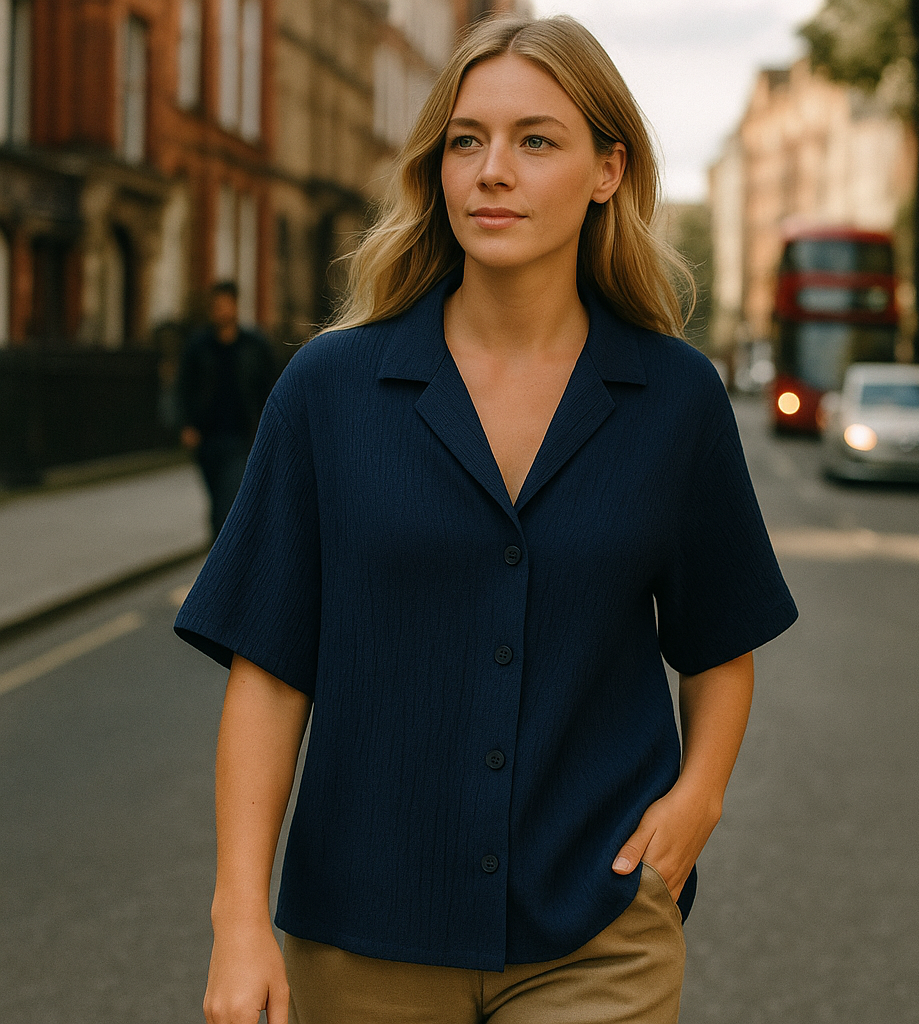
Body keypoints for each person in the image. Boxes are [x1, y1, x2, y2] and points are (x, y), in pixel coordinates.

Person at [175, 15, 797, 1024]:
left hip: (596, 925)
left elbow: (720, 642)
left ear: (607, 170)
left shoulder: (675, 398)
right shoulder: (329, 390)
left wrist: (699, 800)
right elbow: (269, 669)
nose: (491, 170)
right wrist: (238, 917)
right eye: (466, 140)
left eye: (534, 140)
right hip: (361, 929)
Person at [176, 281, 276, 538]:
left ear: (234, 306)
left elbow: (270, 388)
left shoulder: (254, 346)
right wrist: (187, 424)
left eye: (223, 305)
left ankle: (221, 560)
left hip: (241, 437)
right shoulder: (199, 346)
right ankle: (220, 554)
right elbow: (184, 386)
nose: (218, 311)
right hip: (208, 437)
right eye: (215, 306)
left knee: (227, 504)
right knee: (216, 497)